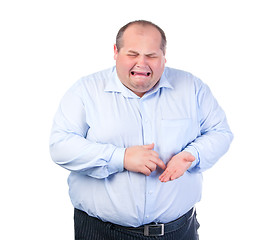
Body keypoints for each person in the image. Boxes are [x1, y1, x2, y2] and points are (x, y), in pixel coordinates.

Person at [49, 20, 233, 240]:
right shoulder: (85, 90)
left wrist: (193, 154)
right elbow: (60, 146)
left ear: (164, 56)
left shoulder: (192, 87)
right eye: (133, 54)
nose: (142, 63)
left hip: (179, 231)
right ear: (116, 52)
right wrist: (121, 157)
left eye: (152, 56)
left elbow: (220, 132)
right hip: (102, 232)